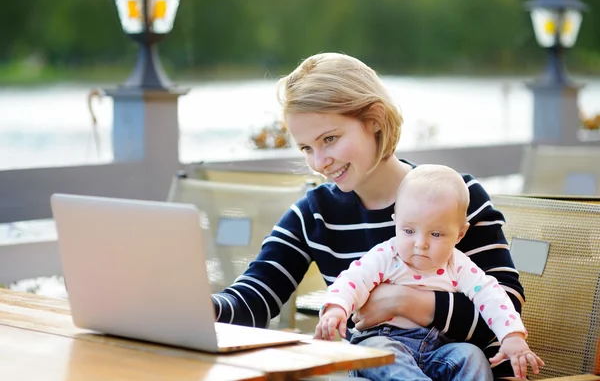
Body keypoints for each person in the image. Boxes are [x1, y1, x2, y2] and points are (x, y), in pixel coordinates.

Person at [211, 52, 525, 379]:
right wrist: (206, 309)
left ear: (374, 119)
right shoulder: (314, 214)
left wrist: (402, 301)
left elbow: (506, 306)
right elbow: (256, 295)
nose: (319, 162)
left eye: (329, 139)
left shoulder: (456, 197)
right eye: (306, 148)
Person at [315, 164, 544, 380]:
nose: (420, 243)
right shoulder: (387, 255)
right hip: (384, 339)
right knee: (376, 354)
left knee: (471, 355)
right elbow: (353, 280)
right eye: (408, 230)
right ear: (396, 223)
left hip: (439, 348)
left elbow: (491, 296)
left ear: (460, 234)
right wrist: (336, 308)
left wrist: (512, 336)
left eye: (436, 234)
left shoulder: (458, 265)